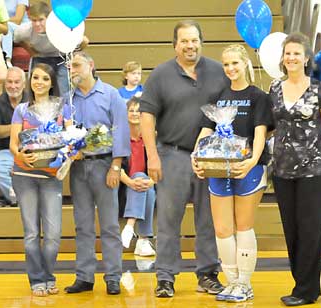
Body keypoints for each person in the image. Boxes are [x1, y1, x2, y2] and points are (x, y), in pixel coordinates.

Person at [139, 20, 229, 298]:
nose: (190, 46)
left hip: (210, 158)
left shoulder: (218, 71)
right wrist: (152, 156)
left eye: (194, 40)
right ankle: (165, 277)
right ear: (175, 45)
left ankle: (208, 274)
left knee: (208, 219)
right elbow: (146, 116)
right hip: (172, 155)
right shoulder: (161, 75)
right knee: (168, 220)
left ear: (201, 41)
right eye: (184, 41)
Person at [192, 44, 274, 302]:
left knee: (243, 226)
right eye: (226, 64)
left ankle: (245, 283)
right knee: (223, 228)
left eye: (235, 63)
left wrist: (251, 162)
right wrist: (197, 155)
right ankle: (231, 283)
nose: (230, 69)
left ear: (246, 63)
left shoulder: (258, 97)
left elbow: (260, 134)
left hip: (248, 169)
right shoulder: (218, 96)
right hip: (219, 169)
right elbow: (206, 131)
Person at [269, 32, 321, 307]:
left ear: (306, 57)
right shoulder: (274, 89)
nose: (291, 57)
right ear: (283, 58)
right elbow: (270, 125)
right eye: (288, 53)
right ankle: (302, 283)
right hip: (283, 170)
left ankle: (306, 290)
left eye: (297, 53)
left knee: (311, 229)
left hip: (316, 169)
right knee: (292, 230)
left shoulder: (320, 89)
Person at [64, 51, 130, 296]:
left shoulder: (111, 95)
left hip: (105, 166)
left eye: (77, 65)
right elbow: (66, 133)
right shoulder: (68, 100)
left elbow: (121, 131)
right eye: (70, 67)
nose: (73, 71)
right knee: (82, 225)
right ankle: (84, 276)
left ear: (91, 65)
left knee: (110, 225)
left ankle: (113, 276)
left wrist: (116, 166)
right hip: (79, 167)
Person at [10, 63, 71, 296]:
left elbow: (69, 140)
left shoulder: (62, 109)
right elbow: (14, 145)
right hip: (24, 175)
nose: (39, 82)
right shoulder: (22, 110)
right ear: (30, 81)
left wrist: (65, 153)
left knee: (53, 235)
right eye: (35, 77)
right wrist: (22, 156)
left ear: (52, 82)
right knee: (32, 233)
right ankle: (38, 279)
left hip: (51, 176)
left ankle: (48, 274)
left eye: (45, 79)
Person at [14, 1, 89, 96]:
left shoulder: (61, 28)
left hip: (61, 58)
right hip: (40, 57)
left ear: (48, 18)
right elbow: (17, 39)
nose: (37, 24)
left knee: (63, 91)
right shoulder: (24, 30)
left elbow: (85, 41)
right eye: (34, 20)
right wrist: (31, 51)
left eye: (41, 20)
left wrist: (72, 54)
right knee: (35, 91)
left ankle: (63, 109)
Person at [119, 97, 156, 257]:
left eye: (138, 111)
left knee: (149, 187)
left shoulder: (151, 137)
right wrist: (131, 182)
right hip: (124, 186)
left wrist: (151, 182)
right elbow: (116, 167)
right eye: (131, 110)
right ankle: (143, 240)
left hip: (148, 186)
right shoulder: (120, 137)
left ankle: (130, 226)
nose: (135, 114)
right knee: (144, 183)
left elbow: (159, 165)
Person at [0, 66, 26, 205]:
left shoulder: (32, 100)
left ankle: (27, 197)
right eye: (9, 82)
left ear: (24, 83)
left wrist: (9, 129)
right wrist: (19, 126)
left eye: (17, 82)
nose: (13, 86)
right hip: (4, 151)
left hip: (30, 149)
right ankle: (19, 199)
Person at [1, 0, 29, 67]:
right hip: (3, 26)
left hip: (21, 27)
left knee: (7, 26)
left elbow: (18, 20)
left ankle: (7, 60)